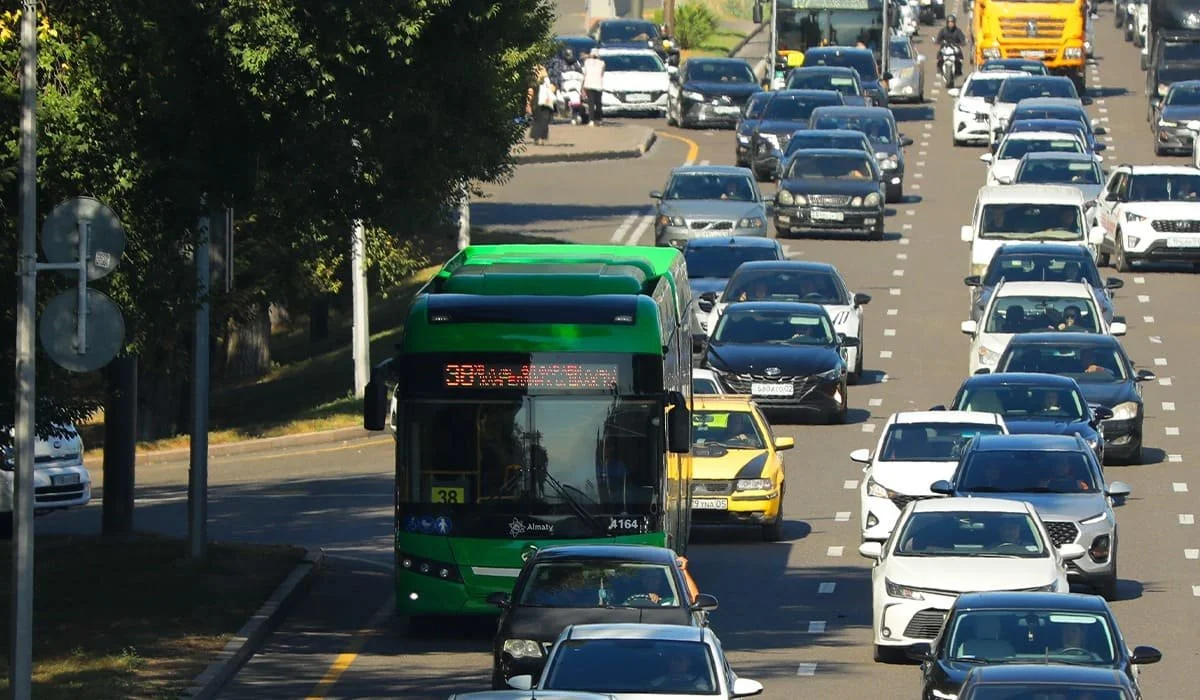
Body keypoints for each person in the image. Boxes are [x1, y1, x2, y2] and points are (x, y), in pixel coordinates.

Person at [527, 66, 555, 145]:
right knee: (539, 120)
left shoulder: (547, 79)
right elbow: (531, 90)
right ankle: (538, 138)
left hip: (546, 102)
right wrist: (528, 103)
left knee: (543, 120)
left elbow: (553, 88)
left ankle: (540, 138)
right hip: (538, 101)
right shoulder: (533, 80)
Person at [582, 50, 606, 126]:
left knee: (591, 104)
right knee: (598, 103)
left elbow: (584, 73)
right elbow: (602, 74)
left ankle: (591, 120)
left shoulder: (586, 62)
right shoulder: (602, 63)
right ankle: (599, 120)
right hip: (598, 85)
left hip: (588, 84)